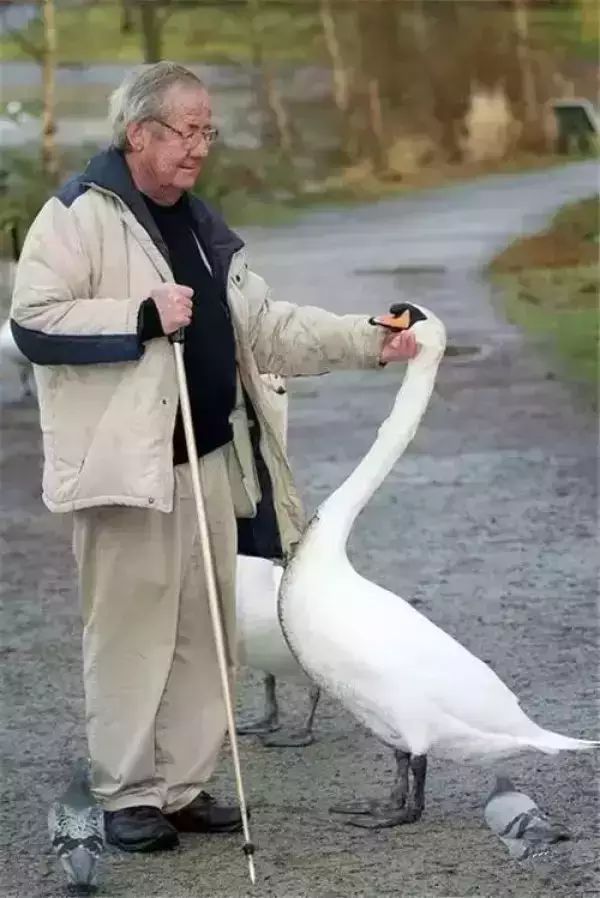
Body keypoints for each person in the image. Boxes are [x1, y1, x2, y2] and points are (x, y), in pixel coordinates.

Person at [10, 62, 417, 854]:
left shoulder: (201, 223)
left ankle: (182, 786)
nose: (201, 146)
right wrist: (139, 313)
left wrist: (369, 339)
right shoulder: (76, 215)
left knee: (206, 635)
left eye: (208, 131)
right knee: (130, 635)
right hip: (125, 474)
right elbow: (34, 323)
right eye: (187, 130)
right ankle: (128, 794)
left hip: (209, 462)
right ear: (140, 134)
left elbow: (267, 329)